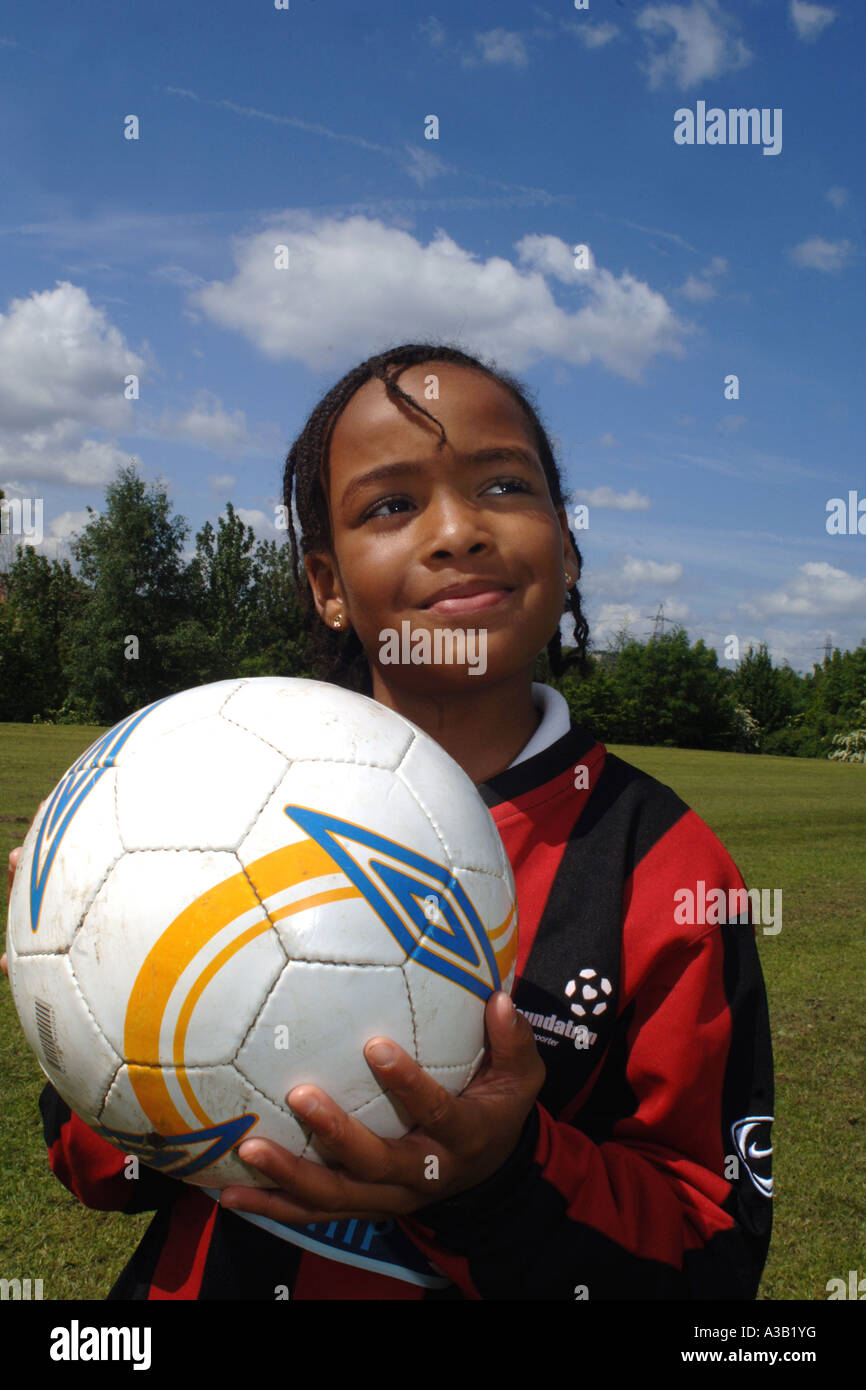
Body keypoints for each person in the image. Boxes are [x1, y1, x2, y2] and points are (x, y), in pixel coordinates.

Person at [3, 342, 773, 1299]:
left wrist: (497, 1177)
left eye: (503, 484)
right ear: (326, 585)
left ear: (569, 549)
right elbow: (102, 1177)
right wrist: (78, 992)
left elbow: (713, 1258)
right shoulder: (192, 794)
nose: (456, 531)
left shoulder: (661, 866)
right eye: (391, 505)